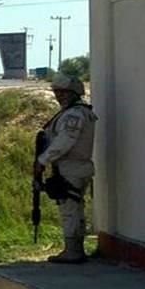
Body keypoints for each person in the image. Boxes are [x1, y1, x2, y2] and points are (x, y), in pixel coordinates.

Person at [36, 73, 96, 264]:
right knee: (74, 208)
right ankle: (75, 248)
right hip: (72, 167)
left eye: (64, 92)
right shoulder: (75, 112)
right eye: (57, 92)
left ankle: (73, 251)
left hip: (72, 167)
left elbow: (64, 142)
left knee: (70, 210)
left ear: (74, 93)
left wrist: (43, 160)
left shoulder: (74, 114)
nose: (59, 96)